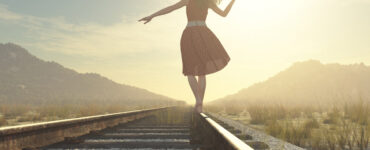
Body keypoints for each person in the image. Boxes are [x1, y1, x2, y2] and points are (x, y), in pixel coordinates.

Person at [139, 0, 235, 113]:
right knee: (202, 73)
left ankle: (198, 100)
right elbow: (224, 14)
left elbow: (170, 8)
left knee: (190, 71)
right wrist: (233, 1)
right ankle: (200, 105)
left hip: (189, 34)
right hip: (204, 34)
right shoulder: (208, 2)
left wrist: (152, 16)